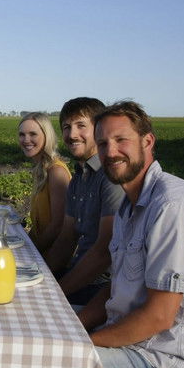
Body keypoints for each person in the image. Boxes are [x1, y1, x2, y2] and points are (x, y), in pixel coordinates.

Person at [79, 101, 184, 368]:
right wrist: (73, 326)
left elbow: (158, 317)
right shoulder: (128, 207)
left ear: (148, 142)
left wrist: (82, 344)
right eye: (103, 143)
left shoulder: (174, 206)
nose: (110, 152)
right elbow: (117, 286)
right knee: (30, 332)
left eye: (121, 140)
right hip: (132, 343)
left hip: (164, 365)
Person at [45, 97, 125, 305]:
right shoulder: (79, 178)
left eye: (81, 125)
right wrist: (41, 277)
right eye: (66, 127)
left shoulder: (111, 176)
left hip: (103, 285)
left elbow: (104, 251)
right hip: (79, 270)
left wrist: (56, 295)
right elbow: (66, 237)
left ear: (99, 129)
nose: (72, 135)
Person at [18, 112, 71, 255]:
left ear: (47, 136)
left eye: (33, 134)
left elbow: (58, 226)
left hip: (51, 258)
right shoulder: (42, 169)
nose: (26, 140)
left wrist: (30, 254)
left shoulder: (56, 172)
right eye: (22, 134)